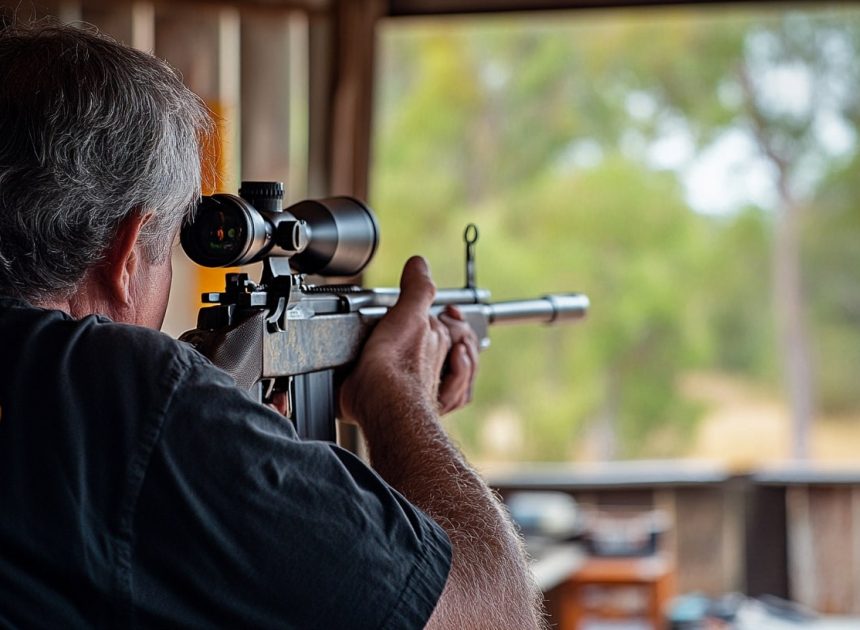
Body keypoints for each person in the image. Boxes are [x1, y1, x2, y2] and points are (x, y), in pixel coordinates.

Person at [0, 20, 543, 629]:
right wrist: (401, 398)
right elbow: (495, 613)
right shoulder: (126, 396)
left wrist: (236, 432)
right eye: (166, 256)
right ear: (127, 258)